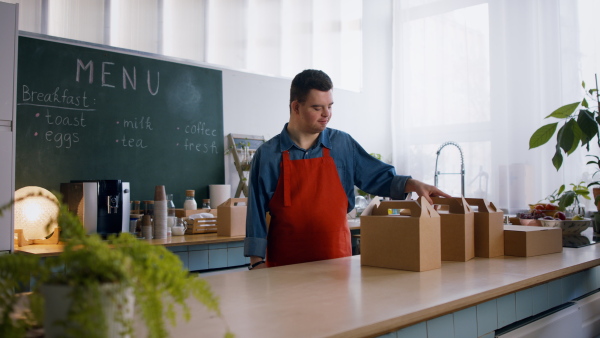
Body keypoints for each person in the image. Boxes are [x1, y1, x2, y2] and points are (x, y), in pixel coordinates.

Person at [244, 69, 450, 270]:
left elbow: (377, 176)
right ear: (296, 107)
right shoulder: (268, 154)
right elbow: (256, 210)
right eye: (317, 108)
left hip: (336, 264)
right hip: (285, 266)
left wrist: (413, 184)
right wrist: (257, 261)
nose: (327, 114)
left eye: (330, 106)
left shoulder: (342, 144)